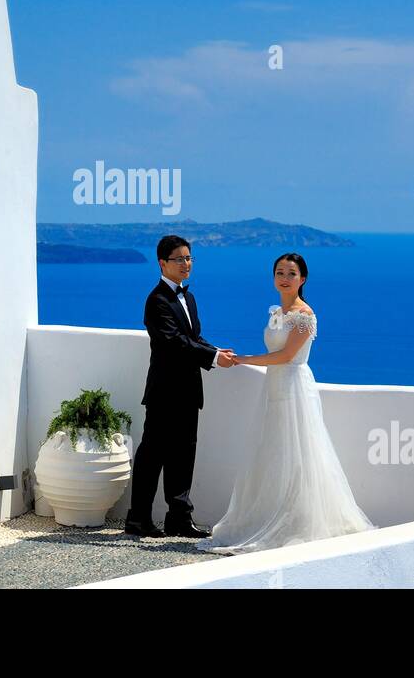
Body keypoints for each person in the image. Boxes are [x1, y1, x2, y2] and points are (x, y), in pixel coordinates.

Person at [197, 252, 375, 555]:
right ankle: (269, 513)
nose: (284, 277)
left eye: (291, 273)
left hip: (294, 386)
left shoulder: (304, 315)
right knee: (274, 450)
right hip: (275, 386)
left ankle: (298, 521)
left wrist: (244, 360)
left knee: (299, 452)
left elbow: (287, 356)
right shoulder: (278, 311)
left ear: (302, 279)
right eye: (280, 272)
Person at [123, 235, 236, 538]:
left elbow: (194, 338)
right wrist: (211, 357)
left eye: (189, 258)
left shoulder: (190, 297)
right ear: (162, 263)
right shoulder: (156, 301)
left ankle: (179, 519)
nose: (186, 264)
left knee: (184, 457)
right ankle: (138, 520)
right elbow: (173, 342)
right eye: (179, 259)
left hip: (188, 392)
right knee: (152, 456)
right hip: (164, 393)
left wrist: (216, 352)